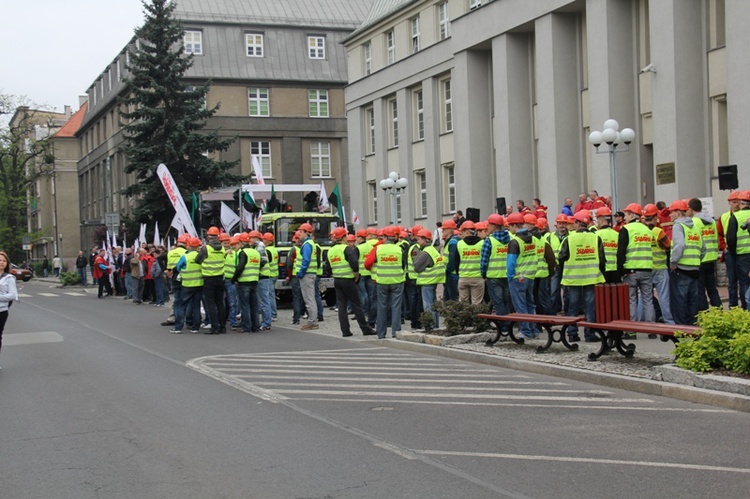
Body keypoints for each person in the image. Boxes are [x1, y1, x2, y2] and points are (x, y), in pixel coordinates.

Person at [558, 211, 606, 342]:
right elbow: (602, 259)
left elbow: (561, 257)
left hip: (573, 279)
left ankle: (572, 334)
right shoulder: (596, 238)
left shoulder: (570, 238)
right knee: (590, 306)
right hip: (592, 278)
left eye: (574, 222)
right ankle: (590, 334)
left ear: (578, 223)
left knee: (573, 306)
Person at [327, 227, 374, 337]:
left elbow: (327, 267)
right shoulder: (346, 249)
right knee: (357, 304)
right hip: (348, 280)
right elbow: (354, 263)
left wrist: (336, 274)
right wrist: (356, 275)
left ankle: (345, 331)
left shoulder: (331, 250)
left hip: (337, 280)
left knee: (342, 306)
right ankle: (365, 329)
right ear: (343, 237)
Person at [365, 226, 406, 339]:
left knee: (381, 306)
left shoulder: (378, 249)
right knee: (396, 307)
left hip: (382, 281)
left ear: (386, 237)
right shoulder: (400, 249)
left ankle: (381, 333)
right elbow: (404, 265)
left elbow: (369, 262)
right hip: (397, 281)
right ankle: (396, 332)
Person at [617, 203, 655, 325]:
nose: (625, 217)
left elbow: (621, 252)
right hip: (647, 269)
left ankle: (632, 328)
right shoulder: (647, 229)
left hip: (631, 270)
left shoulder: (626, 229)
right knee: (648, 299)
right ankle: (651, 328)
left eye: (627, 214)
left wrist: (620, 271)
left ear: (632, 214)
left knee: (631, 300)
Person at [669, 199, 705, 325]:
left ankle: (681, 331)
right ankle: (692, 329)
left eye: (671, 212)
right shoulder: (694, 226)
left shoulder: (678, 226)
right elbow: (703, 248)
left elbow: (679, 246)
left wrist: (673, 263)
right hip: (694, 269)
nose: (670, 215)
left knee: (679, 302)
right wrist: (696, 261)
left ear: (678, 213)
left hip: (681, 269)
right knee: (692, 302)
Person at [505, 213, 537, 339]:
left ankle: (526, 331)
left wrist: (510, 276)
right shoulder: (533, 238)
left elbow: (511, 262)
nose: (508, 229)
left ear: (514, 226)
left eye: (509, 226)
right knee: (530, 304)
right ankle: (533, 329)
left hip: (518, 277)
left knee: (520, 305)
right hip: (530, 275)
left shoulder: (515, 242)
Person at [688, 198, 721, 310]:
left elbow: (694, 240)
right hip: (711, 258)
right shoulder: (711, 221)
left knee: (700, 289)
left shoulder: (694, 222)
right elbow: (715, 239)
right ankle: (719, 312)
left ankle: (704, 314)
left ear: (691, 209)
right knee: (712, 288)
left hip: (700, 259)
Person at [643, 204, 674, 324]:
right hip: (660, 268)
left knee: (645, 298)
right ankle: (669, 321)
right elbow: (668, 246)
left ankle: (643, 322)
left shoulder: (642, 231)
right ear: (656, 217)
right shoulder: (658, 232)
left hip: (647, 268)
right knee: (664, 297)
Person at [480, 214, 511, 325]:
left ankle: (503, 328)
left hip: (493, 277)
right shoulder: (510, 239)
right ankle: (508, 325)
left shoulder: (489, 241)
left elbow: (484, 261)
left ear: (493, 226)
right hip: (507, 275)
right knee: (506, 302)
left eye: (488, 225)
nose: (487, 228)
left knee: (498, 303)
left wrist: (483, 274)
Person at [196, 226, 226, 334]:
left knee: (211, 304)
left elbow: (197, 260)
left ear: (208, 236)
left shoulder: (206, 248)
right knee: (220, 303)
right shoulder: (222, 248)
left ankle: (214, 327)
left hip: (209, 278)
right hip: (220, 277)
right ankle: (222, 326)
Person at [413, 229, 445, 328]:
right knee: (433, 305)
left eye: (419, 239)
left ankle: (431, 326)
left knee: (428, 306)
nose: (417, 241)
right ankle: (435, 326)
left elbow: (417, 267)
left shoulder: (425, 253)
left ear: (424, 239)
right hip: (434, 280)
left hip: (427, 281)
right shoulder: (433, 250)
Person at [172, 238, 204, 333]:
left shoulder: (185, 257)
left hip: (187, 284)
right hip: (199, 284)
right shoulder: (201, 256)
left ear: (189, 246)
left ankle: (178, 327)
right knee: (196, 306)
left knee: (182, 306)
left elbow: (178, 268)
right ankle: (195, 327)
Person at [726, 190, 750, 309]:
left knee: (744, 282)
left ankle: (746, 308)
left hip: (742, 255)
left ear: (740, 202)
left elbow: (730, 238)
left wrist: (733, 252)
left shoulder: (736, 216)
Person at [234, 232, 262, 333]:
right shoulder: (255, 252)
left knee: (245, 305)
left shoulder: (243, 252)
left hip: (244, 281)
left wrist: (234, 278)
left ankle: (246, 327)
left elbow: (240, 266)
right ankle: (256, 326)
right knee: (254, 305)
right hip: (254, 280)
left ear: (241, 243)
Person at [718, 190, 742, 307]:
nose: (736, 204)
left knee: (743, 282)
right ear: (729, 203)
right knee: (732, 282)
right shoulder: (724, 217)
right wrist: (723, 247)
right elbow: (719, 234)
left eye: (738, 202)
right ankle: (733, 307)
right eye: (734, 202)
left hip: (743, 252)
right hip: (730, 253)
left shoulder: (744, 215)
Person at [296, 223, 320, 330]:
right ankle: (313, 321)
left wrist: (301, 272)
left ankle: (312, 322)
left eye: (301, 231)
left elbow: (306, 260)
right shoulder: (311, 243)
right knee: (310, 298)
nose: (299, 234)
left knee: (309, 299)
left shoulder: (307, 245)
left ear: (306, 233)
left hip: (307, 274)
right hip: (311, 273)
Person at [456, 220, 485, 305]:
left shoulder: (459, 244)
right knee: (477, 303)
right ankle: (476, 318)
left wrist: (459, 274)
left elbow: (456, 262)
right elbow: (484, 260)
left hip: (463, 277)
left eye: (462, 232)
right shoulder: (482, 243)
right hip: (477, 277)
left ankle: (465, 318)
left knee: (463, 304)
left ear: (466, 231)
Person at [0, 251, 19, 367]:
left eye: (3, 261)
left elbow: (12, 295)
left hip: (1, 311)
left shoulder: (9, 278)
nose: (1, 263)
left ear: (7, 263)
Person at [595, 207, 620, 283]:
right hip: (615, 270)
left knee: (603, 294)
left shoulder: (596, 234)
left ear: (601, 220)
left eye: (598, 220)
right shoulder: (617, 234)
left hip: (602, 270)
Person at [441, 219, 460, 301]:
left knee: (452, 299)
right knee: (448, 298)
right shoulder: (450, 241)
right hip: (449, 274)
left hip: (451, 275)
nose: (442, 231)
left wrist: (447, 270)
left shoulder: (453, 242)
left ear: (450, 230)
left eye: (444, 229)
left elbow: (452, 260)